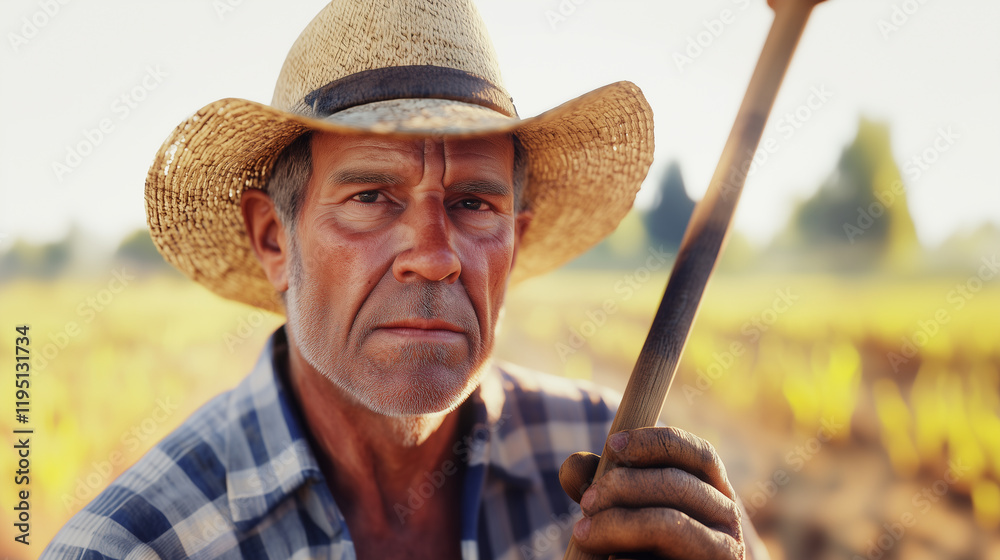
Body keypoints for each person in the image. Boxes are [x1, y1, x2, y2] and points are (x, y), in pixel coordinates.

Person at [43, 0, 767, 558]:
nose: (434, 254)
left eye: (473, 204)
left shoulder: (621, 476)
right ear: (273, 238)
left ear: (512, 242)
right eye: (370, 197)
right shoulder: (135, 544)